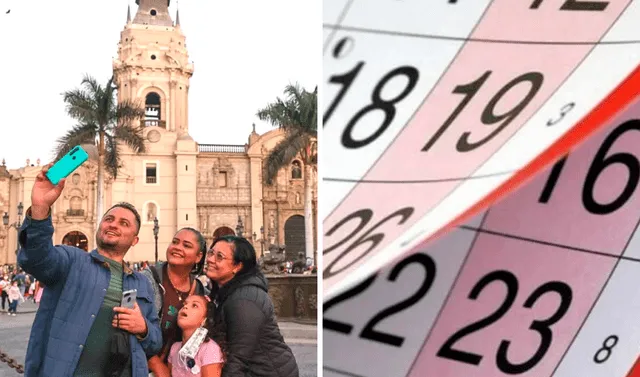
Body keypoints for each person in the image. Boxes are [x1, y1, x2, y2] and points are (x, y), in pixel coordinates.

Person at [17, 164, 162, 377]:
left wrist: (143, 328)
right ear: (99, 226)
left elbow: (155, 341)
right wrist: (39, 208)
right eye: (109, 219)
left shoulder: (141, 283)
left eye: (124, 223)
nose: (113, 225)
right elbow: (35, 259)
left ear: (135, 240)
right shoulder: (72, 260)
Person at [206, 235, 299, 377]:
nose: (210, 259)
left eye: (219, 257)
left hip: (267, 372)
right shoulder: (230, 290)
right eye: (211, 253)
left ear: (237, 266)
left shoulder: (244, 300)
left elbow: (238, 358)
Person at [140, 227, 207, 377]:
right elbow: (131, 327)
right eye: (175, 242)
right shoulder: (146, 281)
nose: (177, 247)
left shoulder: (199, 291)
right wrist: (156, 365)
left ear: (198, 256)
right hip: (140, 367)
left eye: (186, 245)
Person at [168, 295, 225, 376]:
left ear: (205, 320)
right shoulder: (174, 348)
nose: (186, 307)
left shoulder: (210, 349)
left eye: (194, 305)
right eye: (184, 304)